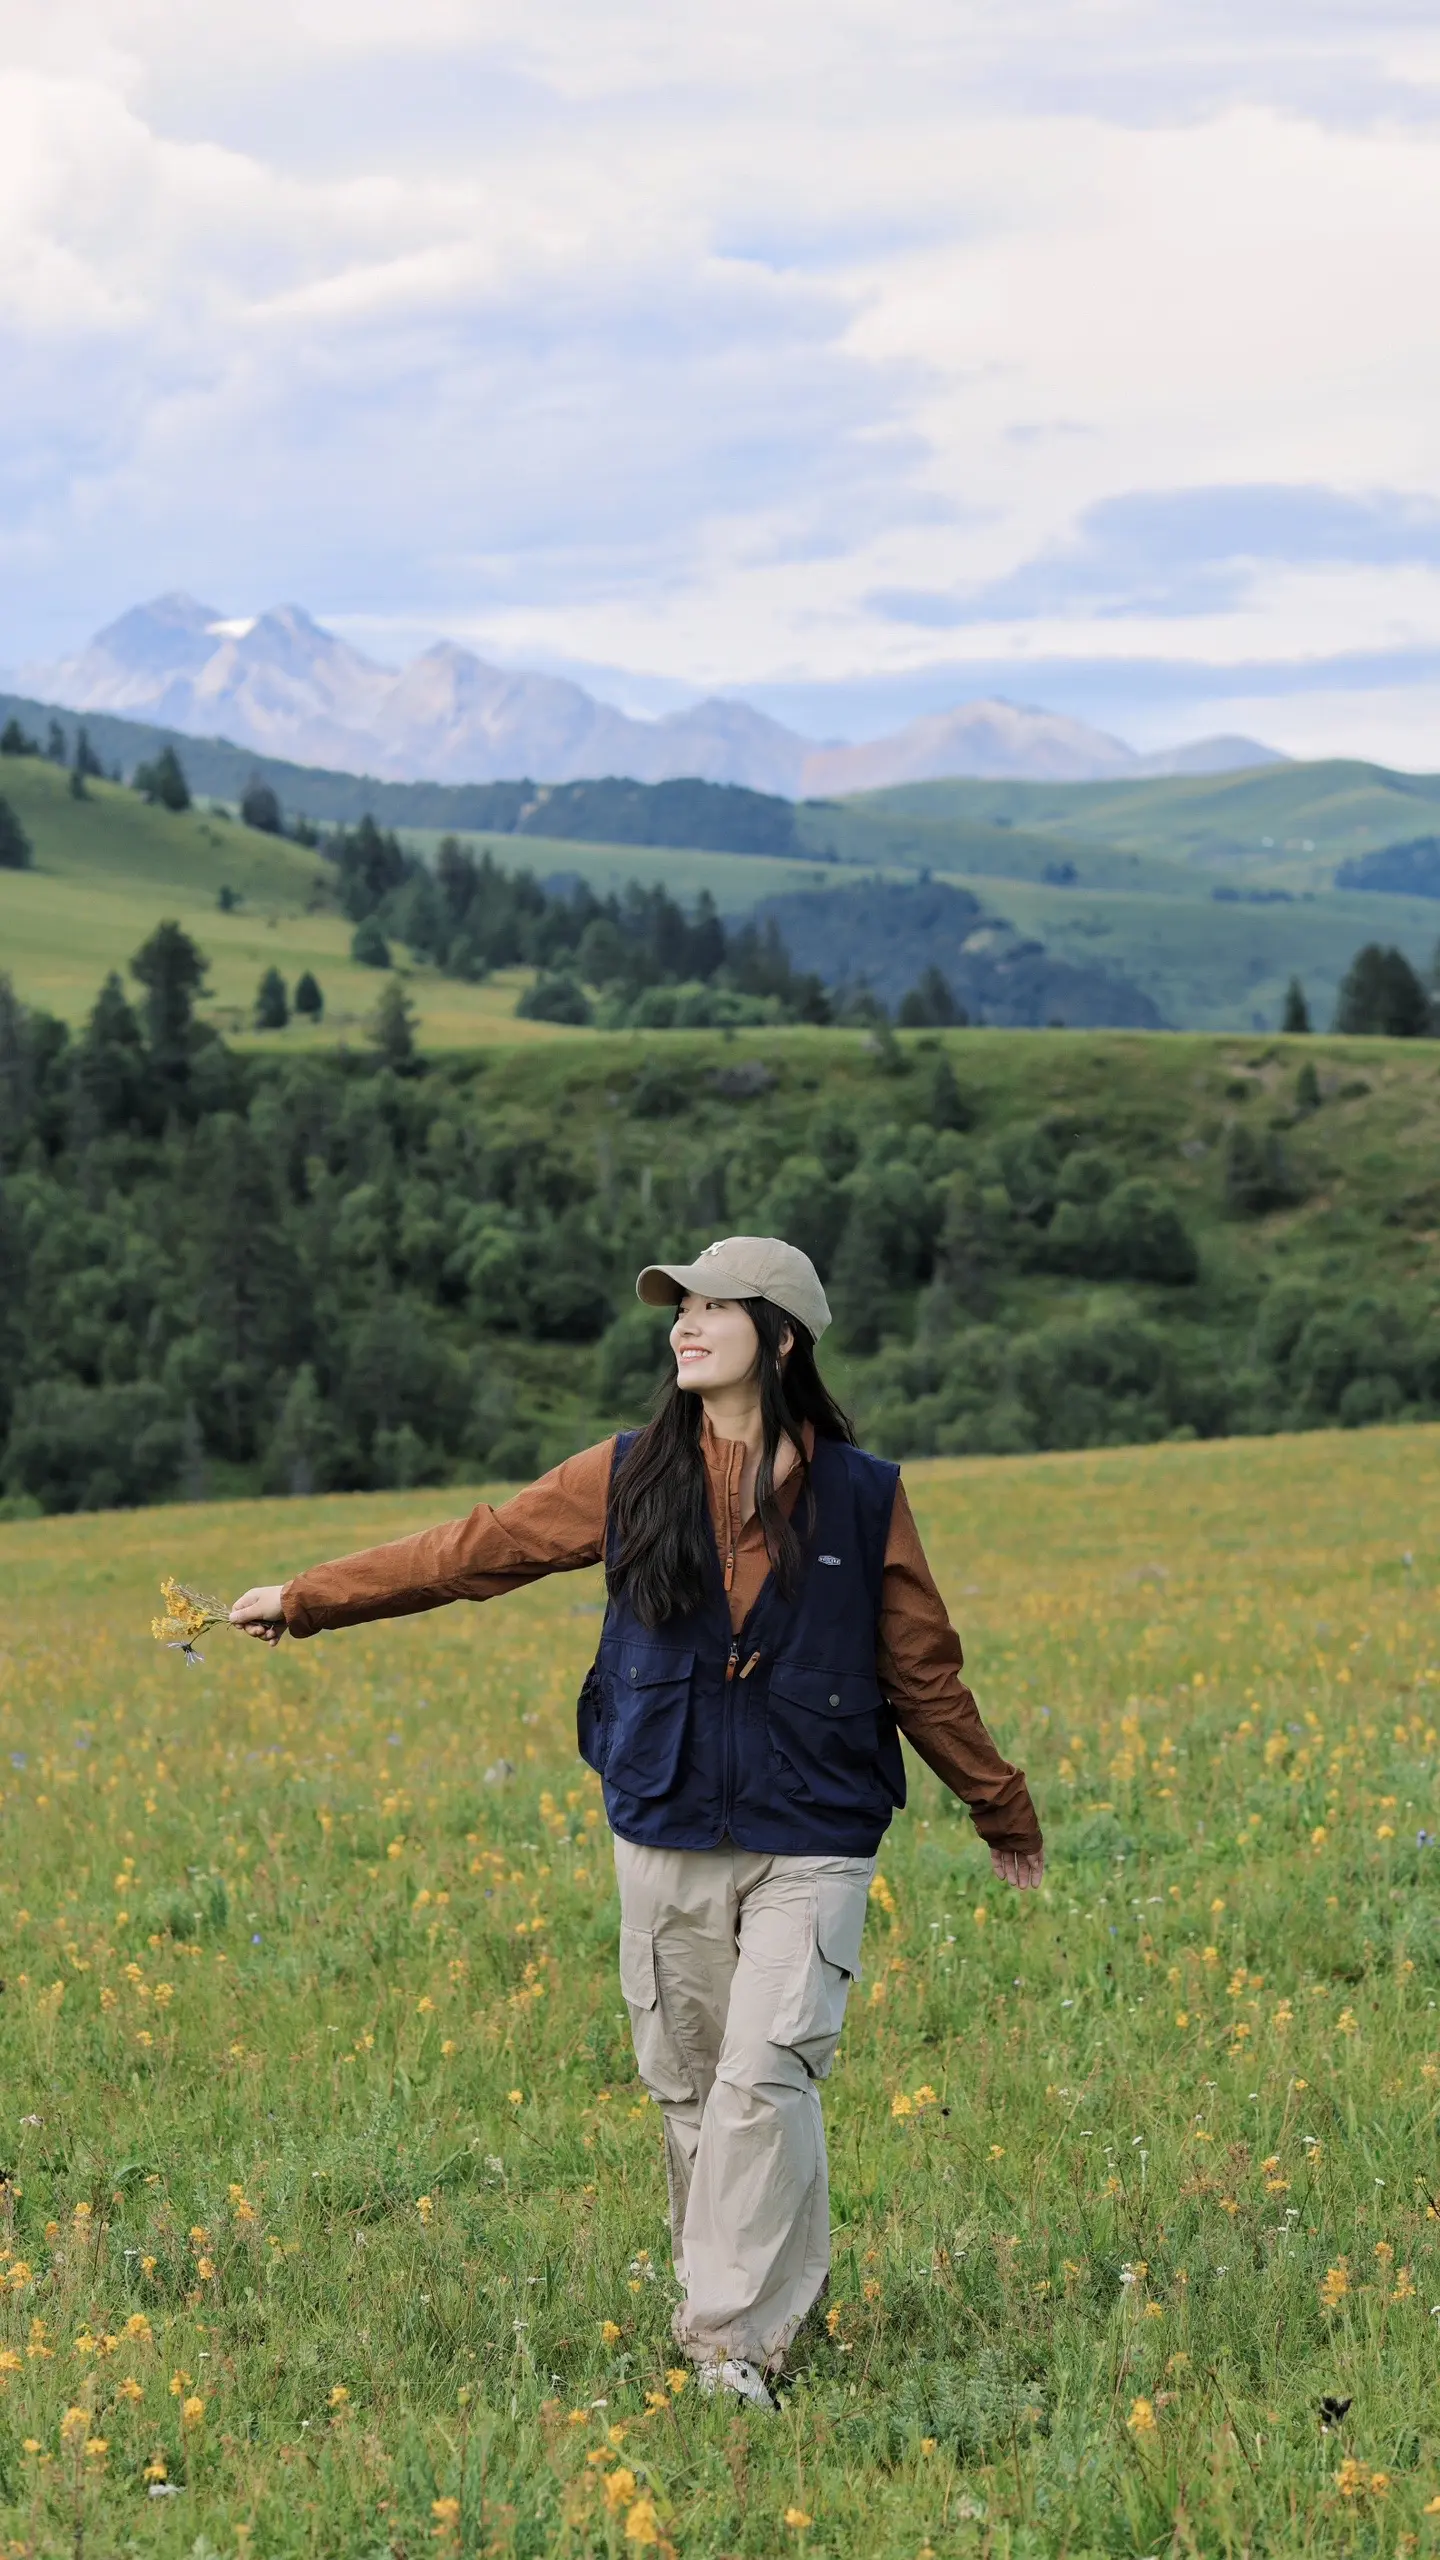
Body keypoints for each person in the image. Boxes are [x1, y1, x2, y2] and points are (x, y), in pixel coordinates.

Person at [231, 1234, 1044, 2408]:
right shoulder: (623, 1474)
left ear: (783, 1337)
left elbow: (921, 1666)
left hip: (812, 1829)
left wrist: (996, 1803)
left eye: (715, 1307)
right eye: (681, 1307)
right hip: (664, 1819)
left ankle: (728, 2348)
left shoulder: (864, 1497)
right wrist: (306, 1600)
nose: (685, 1324)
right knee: (696, 2087)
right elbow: (475, 1551)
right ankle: (759, 2299)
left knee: (766, 2076)